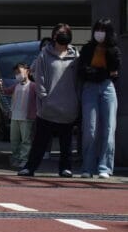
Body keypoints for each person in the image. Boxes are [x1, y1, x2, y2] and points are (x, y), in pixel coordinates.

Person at [18, 23, 80, 178]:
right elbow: (39, 78)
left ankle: (65, 168)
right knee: (40, 140)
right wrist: (44, 98)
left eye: (65, 32)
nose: (62, 35)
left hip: (68, 107)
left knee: (66, 142)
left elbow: (79, 81)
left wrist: (76, 101)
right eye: (59, 32)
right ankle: (30, 167)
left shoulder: (75, 56)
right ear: (53, 36)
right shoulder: (44, 55)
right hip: (47, 108)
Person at [77, 18, 120, 178]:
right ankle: (87, 167)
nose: (99, 33)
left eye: (103, 30)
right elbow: (83, 71)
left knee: (109, 128)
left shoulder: (113, 50)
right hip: (89, 88)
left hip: (108, 88)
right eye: (97, 29)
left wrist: (98, 72)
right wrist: (102, 73)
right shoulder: (87, 48)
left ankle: (105, 167)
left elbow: (115, 71)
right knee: (90, 128)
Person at [0, 62, 36, 170]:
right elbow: (5, 92)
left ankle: (24, 159)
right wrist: (0, 86)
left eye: (19, 72)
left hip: (27, 118)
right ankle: (16, 157)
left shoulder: (33, 86)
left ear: (27, 71)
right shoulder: (16, 86)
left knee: (26, 140)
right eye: (16, 73)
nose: (17, 75)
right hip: (15, 117)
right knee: (14, 139)